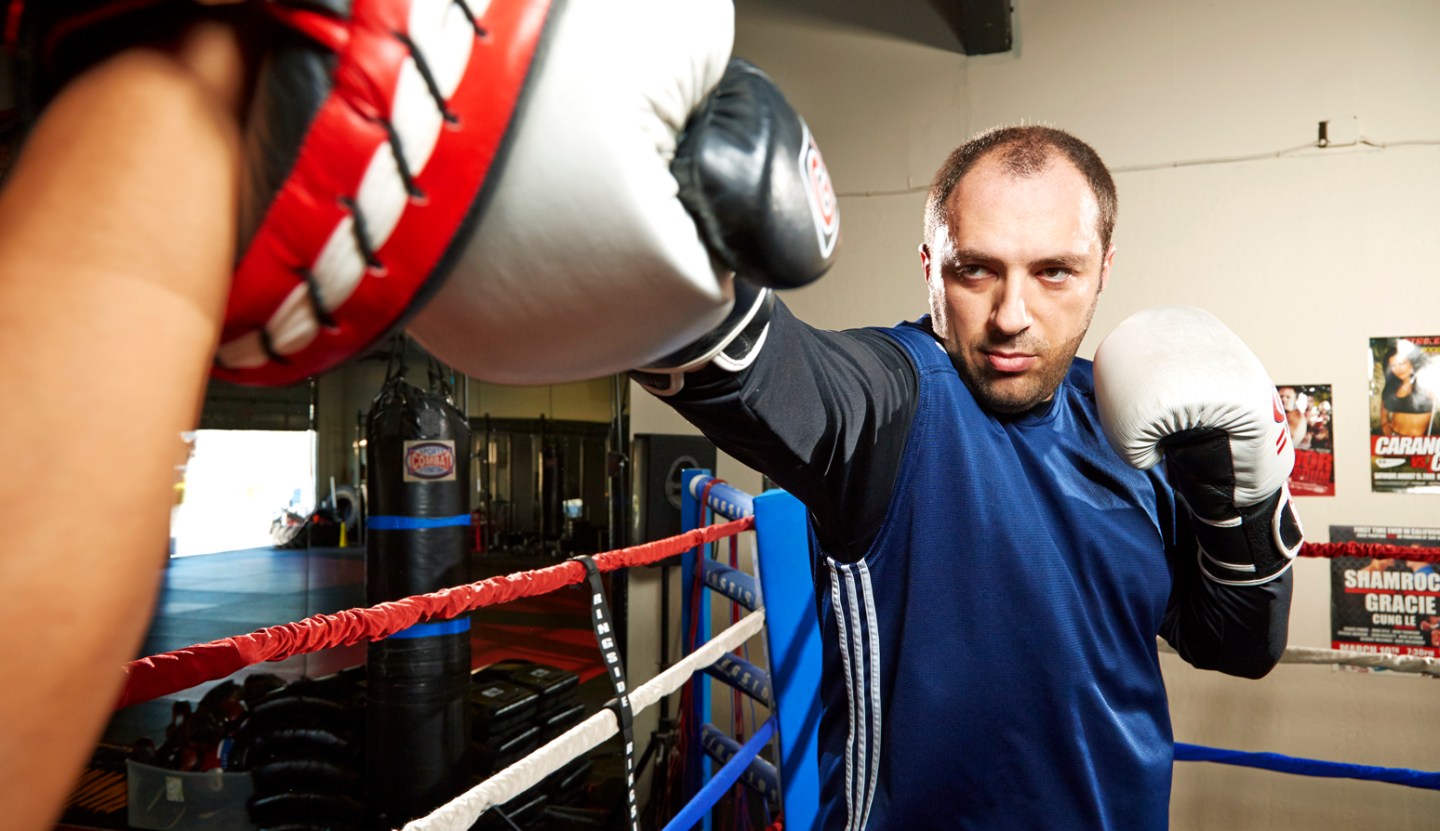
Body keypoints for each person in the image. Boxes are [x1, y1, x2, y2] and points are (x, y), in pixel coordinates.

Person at [635, 126, 1300, 829]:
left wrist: (1244, 495)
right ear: (929, 267)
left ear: (1103, 268)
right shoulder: (893, 404)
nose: (1012, 316)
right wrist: (644, 229)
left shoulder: (1133, 424)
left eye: (1054, 272)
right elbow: (759, 374)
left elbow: (1239, 643)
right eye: (975, 270)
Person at [1379, 341, 1435, 437]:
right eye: (1393, 366)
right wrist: (1384, 422)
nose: (1398, 369)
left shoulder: (1428, 382)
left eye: (1402, 363)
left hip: (1419, 444)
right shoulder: (1392, 386)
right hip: (1394, 439)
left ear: (1412, 362)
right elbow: (1384, 404)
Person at [1278, 385, 1311, 449]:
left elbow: (1293, 443)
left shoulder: (1300, 418)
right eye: (1281, 396)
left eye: (1288, 397)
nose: (1283, 399)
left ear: (1295, 399)